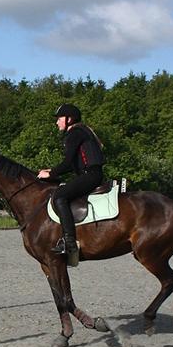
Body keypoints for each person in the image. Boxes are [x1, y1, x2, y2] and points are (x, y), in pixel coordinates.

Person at [37, 103, 105, 267]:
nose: (57, 122)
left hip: (90, 175)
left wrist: (51, 173)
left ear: (69, 119)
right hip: (90, 174)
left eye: (59, 119)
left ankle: (69, 242)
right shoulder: (81, 132)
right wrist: (52, 170)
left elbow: (67, 164)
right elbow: (72, 164)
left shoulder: (74, 133)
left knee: (59, 196)